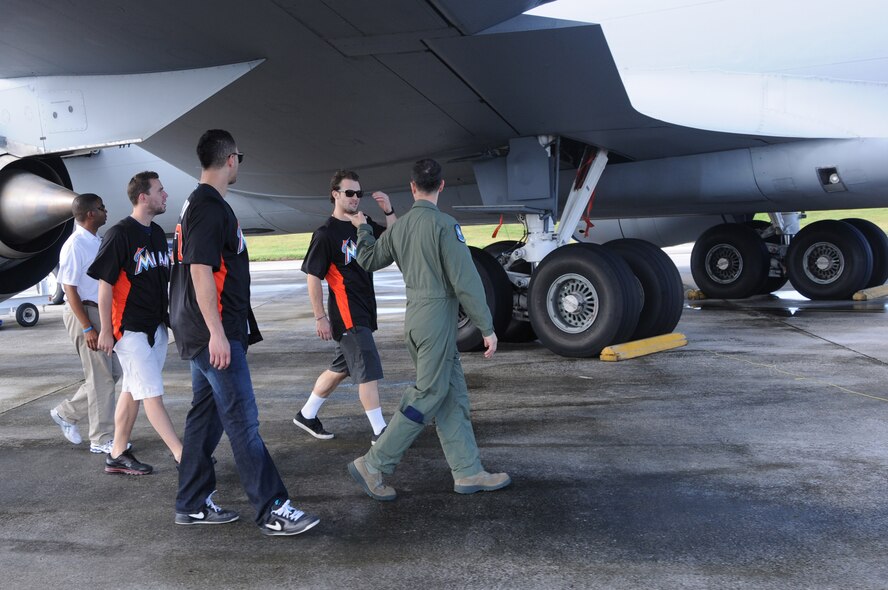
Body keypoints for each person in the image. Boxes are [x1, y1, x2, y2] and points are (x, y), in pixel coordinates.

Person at [169, 129, 319, 535]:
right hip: (212, 333)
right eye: (240, 158)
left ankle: (192, 502)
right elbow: (200, 270)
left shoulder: (200, 204)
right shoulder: (207, 207)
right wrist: (217, 332)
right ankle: (273, 507)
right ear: (230, 159)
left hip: (207, 330)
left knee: (206, 419)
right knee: (242, 420)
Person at [345, 158, 511, 501]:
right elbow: (466, 281)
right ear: (442, 185)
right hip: (437, 320)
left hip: (416, 318)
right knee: (427, 395)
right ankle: (374, 464)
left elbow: (369, 260)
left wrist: (362, 228)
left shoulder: (400, 228)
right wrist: (487, 327)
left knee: (452, 397)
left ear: (411, 187)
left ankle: (468, 471)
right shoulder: (445, 225)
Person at [88, 171, 182, 475]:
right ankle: (183, 455)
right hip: (128, 329)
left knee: (132, 390)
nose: (165, 195)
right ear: (144, 197)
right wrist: (105, 329)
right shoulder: (120, 234)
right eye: (160, 190)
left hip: (155, 326)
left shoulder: (155, 233)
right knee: (151, 392)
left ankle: (117, 453)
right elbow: (104, 286)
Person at [294, 169, 395, 444]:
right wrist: (320, 317)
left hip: (364, 309)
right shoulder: (325, 234)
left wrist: (389, 211)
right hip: (347, 314)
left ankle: (306, 414)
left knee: (343, 367)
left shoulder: (362, 223)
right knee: (368, 369)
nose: (354, 198)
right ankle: (380, 431)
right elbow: (313, 276)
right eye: (349, 193)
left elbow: (395, 240)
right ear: (335, 195)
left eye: (358, 194)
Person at [50, 193, 122, 454]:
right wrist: (88, 327)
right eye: (102, 208)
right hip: (84, 314)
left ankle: (67, 413)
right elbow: (69, 289)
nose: (106, 211)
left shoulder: (96, 240)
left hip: (98, 312)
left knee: (112, 372)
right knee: (102, 377)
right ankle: (101, 439)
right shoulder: (74, 245)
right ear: (91, 213)